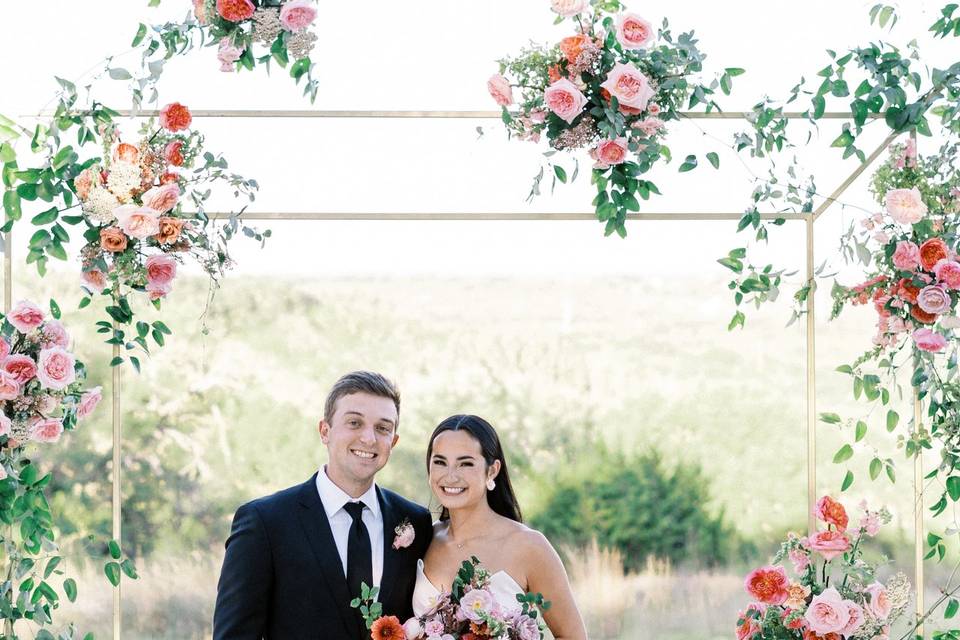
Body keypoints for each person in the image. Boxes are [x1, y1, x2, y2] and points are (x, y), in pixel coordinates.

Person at [213, 371, 432, 640]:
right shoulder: (265, 522)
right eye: (354, 422)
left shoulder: (416, 522)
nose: (369, 438)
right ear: (324, 431)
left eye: (383, 428)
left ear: (393, 442)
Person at [413, 414, 587, 640]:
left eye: (465, 463)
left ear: (492, 470)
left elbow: (574, 636)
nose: (451, 475)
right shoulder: (424, 539)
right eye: (440, 462)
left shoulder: (529, 546)